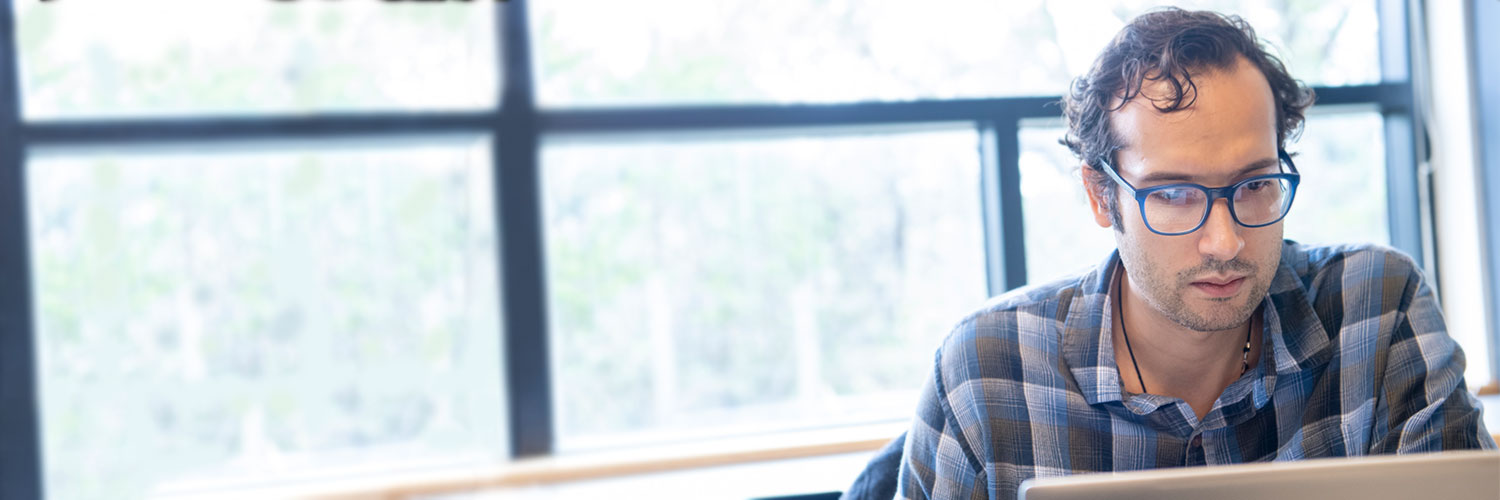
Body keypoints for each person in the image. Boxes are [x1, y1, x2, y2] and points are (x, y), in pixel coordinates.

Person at [844, 8, 1496, 500]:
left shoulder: (1377, 308)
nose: (1225, 242)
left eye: (1257, 184)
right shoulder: (986, 370)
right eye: (1177, 195)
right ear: (1103, 197)